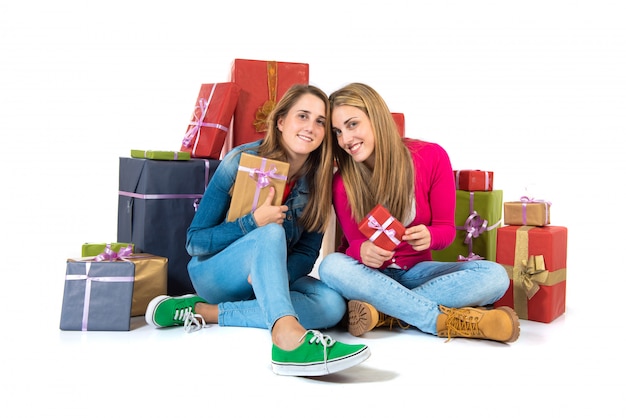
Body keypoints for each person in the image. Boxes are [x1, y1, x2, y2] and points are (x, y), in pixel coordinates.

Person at [144, 84, 370, 376]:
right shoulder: (240, 161)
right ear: (281, 121)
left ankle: (204, 312)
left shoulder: (320, 180)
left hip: (265, 278)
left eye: (320, 122)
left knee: (331, 305)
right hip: (216, 274)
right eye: (302, 116)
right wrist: (251, 223)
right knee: (270, 232)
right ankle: (286, 341)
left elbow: (307, 251)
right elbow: (194, 242)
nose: (310, 127)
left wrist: (275, 275)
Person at [318, 82, 520, 343]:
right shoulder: (343, 182)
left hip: (418, 273)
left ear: (376, 118)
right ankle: (436, 319)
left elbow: (446, 229)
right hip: (371, 277)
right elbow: (352, 244)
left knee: (495, 276)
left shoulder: (431, 157)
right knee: (331, 266)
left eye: (352, 124)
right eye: (337, 132)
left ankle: (384, 313)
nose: (345, 140)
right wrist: (362, 251)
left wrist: (430, 236)